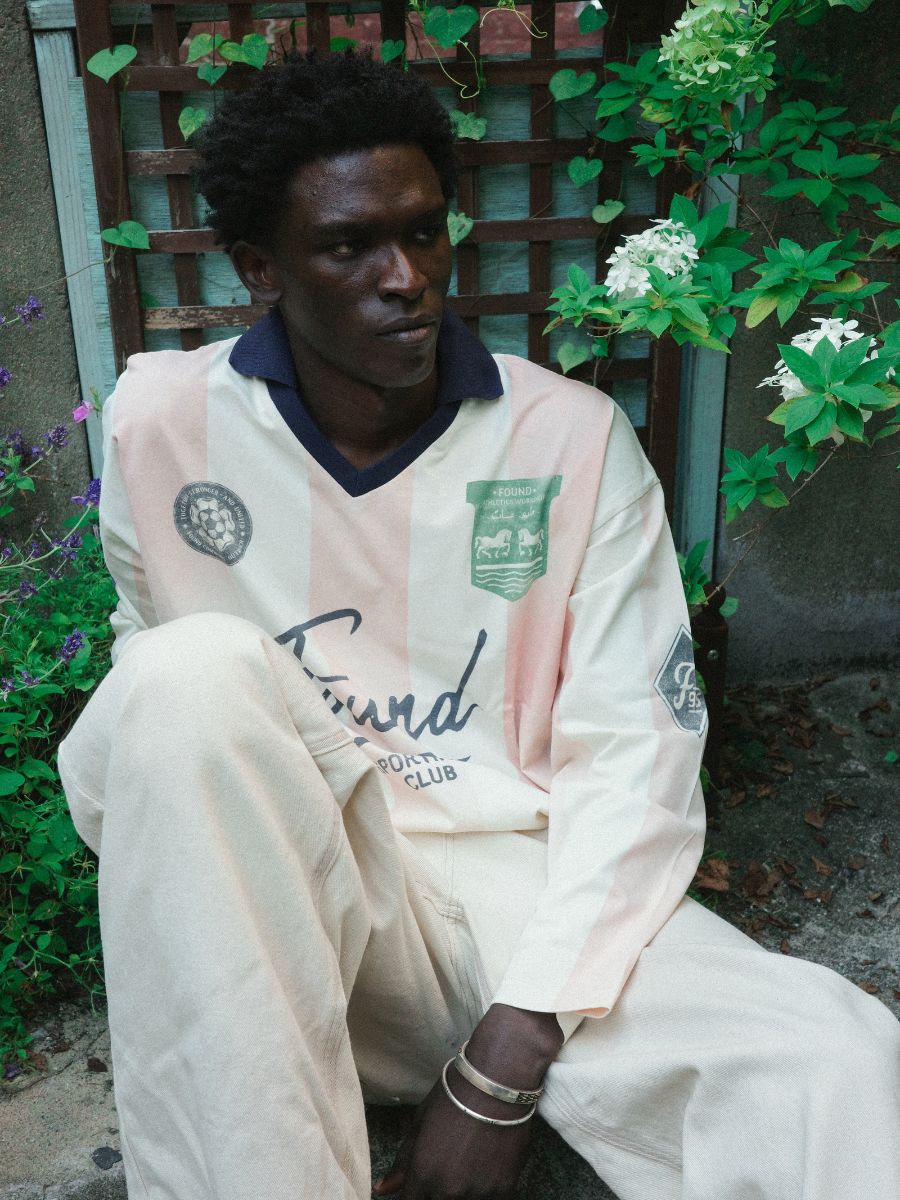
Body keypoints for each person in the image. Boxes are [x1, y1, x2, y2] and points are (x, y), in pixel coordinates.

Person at [58, 49, 900, 1200]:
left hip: (529, 894)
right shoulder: (161, 425)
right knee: (176, 675)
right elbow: (165, 753)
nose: (404, 277)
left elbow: (636, 755)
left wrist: (511, 1052)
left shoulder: (567, 440)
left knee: (833, 1065)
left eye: (424, 233)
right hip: (289, 895)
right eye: (351, 245)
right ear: (262, 264)